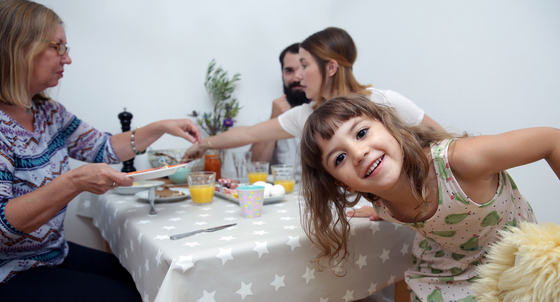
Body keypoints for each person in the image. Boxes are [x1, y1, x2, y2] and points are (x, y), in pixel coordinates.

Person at [0, 1, 201, 301]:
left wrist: (159, 127)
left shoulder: (48, 112)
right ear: (19, 48)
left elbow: (101, 148)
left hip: (53, 255)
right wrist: (73, 182)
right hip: (9, 271)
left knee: (153, 278)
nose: (67, 59)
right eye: (59, 47)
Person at [298, 94, 555, 301]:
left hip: (515, 258)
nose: (358, 153)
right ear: (343, 184)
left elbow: (551, 141)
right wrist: (383, 211)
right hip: (453, 266)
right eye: (339, 158)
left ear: (390, 128)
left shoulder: (460, 161)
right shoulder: (382, 202)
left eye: (362, 133)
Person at [185, 27, 444, 160]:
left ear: (331, 67)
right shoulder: (307, 114)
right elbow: (249, 133)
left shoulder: (381, 100)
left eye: (305, 66)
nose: (298, 76)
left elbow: (443, 142)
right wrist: (202, 145)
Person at [249, 43, 310, 169]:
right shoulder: (268, 116)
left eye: (302, 68)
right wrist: (274, 120)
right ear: (282, 74)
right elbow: (255, 167)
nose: (296, 77)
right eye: (289, 71)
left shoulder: (328, 112)